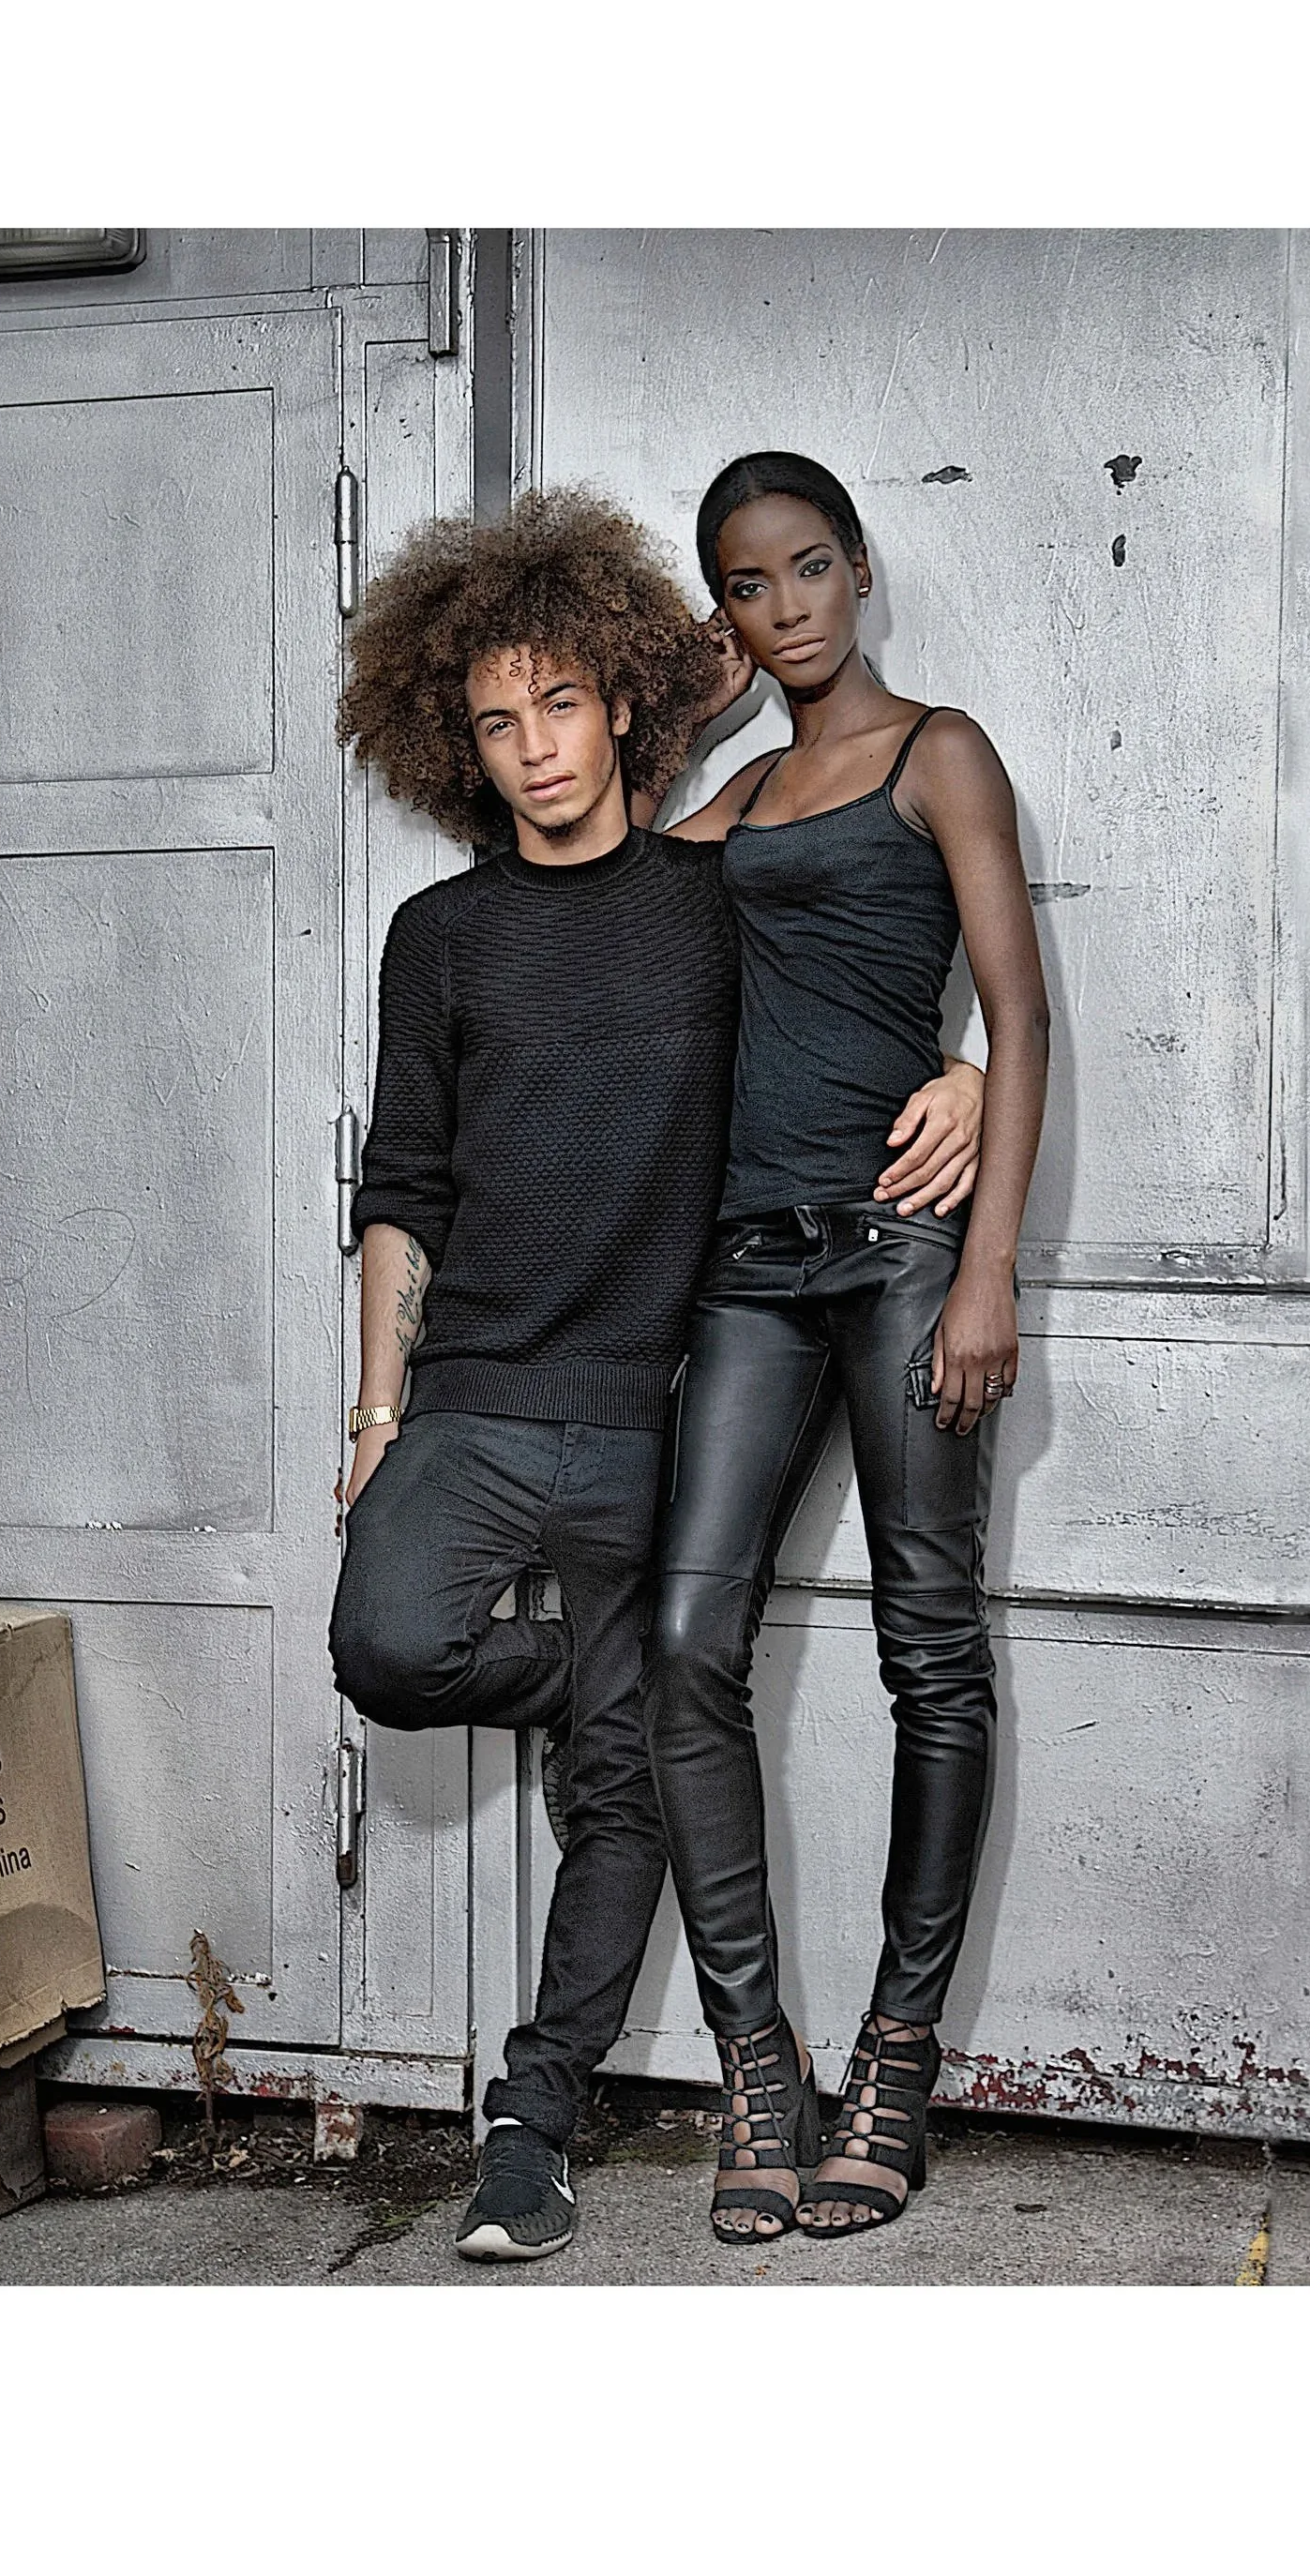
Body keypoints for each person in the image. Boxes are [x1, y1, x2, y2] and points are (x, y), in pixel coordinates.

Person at [327, 487, 986, 2263]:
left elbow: (866, 955)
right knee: (390, 1643)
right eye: (494, 720)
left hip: (646, 1405)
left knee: (630, 1788)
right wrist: (377, 1408)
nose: (536, 750)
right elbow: (399, 1186)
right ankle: (585, 1690)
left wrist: (978, 1065)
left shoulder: (714, 888)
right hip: (467, 1392)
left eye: (563, 702)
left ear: (618, 701)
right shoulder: (438, 939)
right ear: (455, 746)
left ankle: (532, 2123)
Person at [642, 450, 1052, 2242]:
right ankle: (757, 2060)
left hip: (898, 1254)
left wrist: (989, 1269)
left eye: (810, 568)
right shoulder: (732, 798)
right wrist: (686, 728)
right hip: (745, 1260)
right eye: (749, 584)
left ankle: (896, 2050)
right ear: (725, 608)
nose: (789, 604)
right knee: (682, 1639)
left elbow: (1021, 1015)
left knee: (929, 1646)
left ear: (861, 569)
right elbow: (607, 920)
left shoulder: (937, 750)